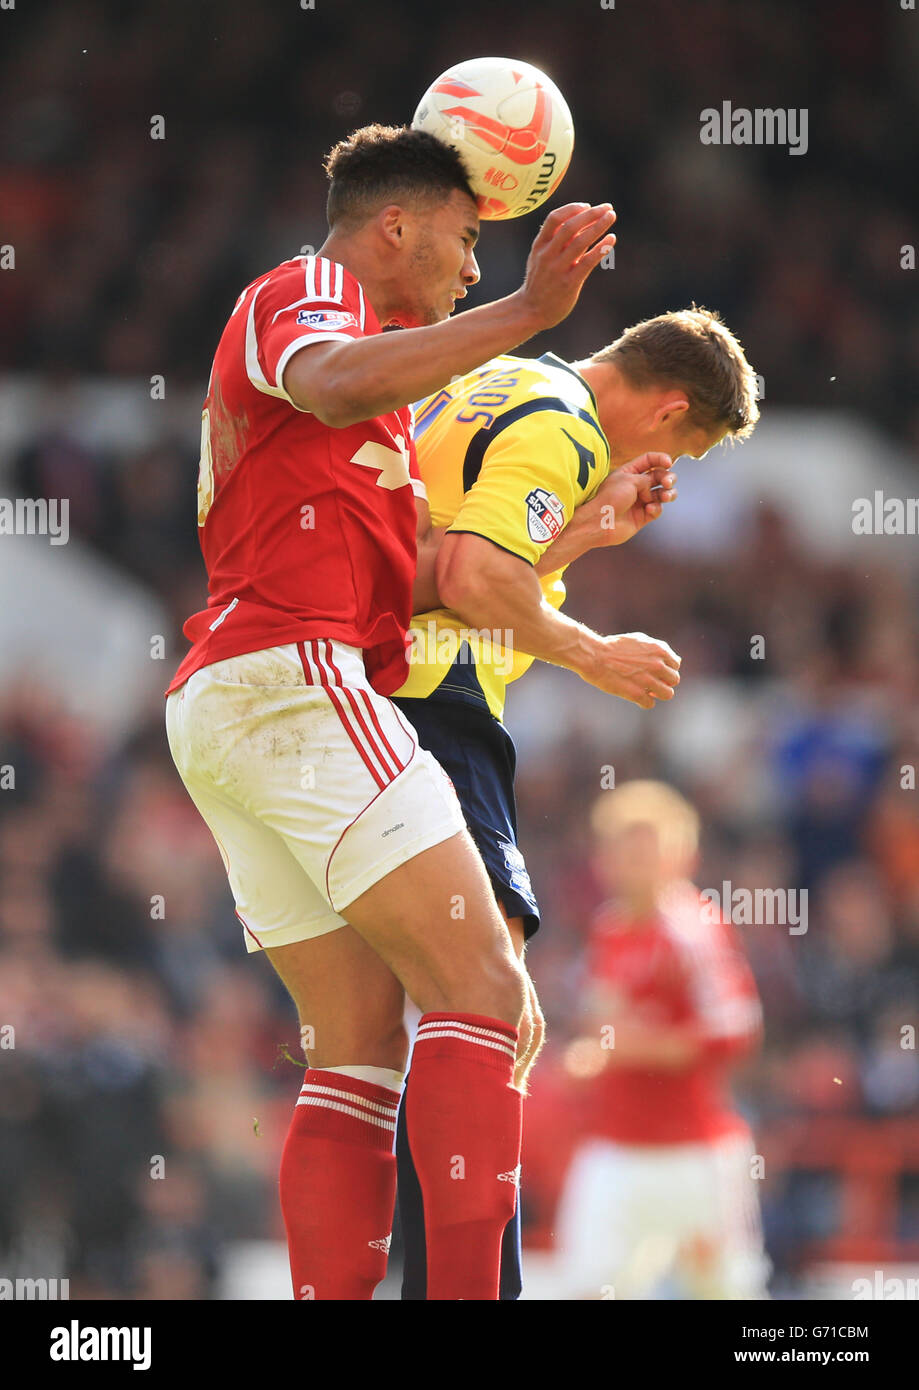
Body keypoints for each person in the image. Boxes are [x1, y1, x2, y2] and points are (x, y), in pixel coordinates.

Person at [164, 121, 620, 1300]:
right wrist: (527, 314)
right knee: (488, 996)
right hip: (294, 678)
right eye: (468, 241)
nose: (475, 268)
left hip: (239, 699)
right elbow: (326, 377)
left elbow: (420, 581)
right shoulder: (307, 289)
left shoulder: (377, 414)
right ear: (396, 227)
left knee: (358, 1048)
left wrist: (576, 535)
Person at [390, 307, 760, 1297]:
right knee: (491, 1009)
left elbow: (447, 565)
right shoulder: (564, 417)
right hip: (437, 707)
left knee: (394, 1032)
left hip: (371, 690)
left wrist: (584, 535)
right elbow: (473, 580)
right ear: (672, 405)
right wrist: (593, 652)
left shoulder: (499, 379)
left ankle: (418, 1277)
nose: (659, 456)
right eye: (680, 441)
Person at [555, 780, 769, 1299]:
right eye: (622, 849)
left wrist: (633, 1048)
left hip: (694, 1151)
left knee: (723, 1291)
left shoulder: (694, 930)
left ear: (683, 855)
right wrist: (593, 1055)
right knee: (589, 1287)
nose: (634, 862)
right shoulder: (608, 928)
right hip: (615, 1143)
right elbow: (604, 1024)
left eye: (647, 848)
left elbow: (738, 1031)